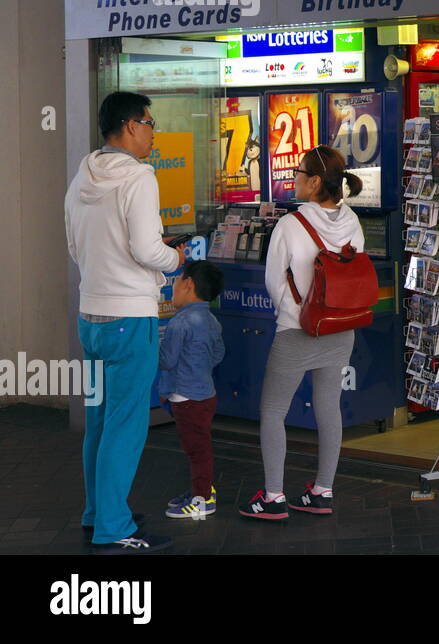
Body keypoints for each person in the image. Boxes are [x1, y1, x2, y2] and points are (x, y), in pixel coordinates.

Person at [65, 91, 186, 554]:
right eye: (151, 123)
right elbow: (145, 248)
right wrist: (171, 258)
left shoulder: (83, 173)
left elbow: (74, 246)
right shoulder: (138, 178)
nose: (154, 131)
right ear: (132, 125)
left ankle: (97, 510)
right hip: (130, 319)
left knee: (99, 420)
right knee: (126, 423)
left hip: (91, 319)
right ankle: (113, 526)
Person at [239, 145, 363, 520]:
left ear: (313, 182)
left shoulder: (291, 224)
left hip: (298, 330)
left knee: (273, 410)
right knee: (328, 407)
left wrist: (293, 315)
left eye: (297, 172)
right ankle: (322, 491)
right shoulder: (352, 221)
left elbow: (274, 282)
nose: (292, 178)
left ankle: (273, 496)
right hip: (341, 328)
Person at [159, 260, 226, 520]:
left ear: (188, 284)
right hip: (204, 394)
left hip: (186, 397)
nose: (172, 286)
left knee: (197, 451)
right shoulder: (211, 320)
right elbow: (219, 353)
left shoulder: (179, 323)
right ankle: (201, 490)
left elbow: (166, 360)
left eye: (176, 280)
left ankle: (202, 500)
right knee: (198, 446)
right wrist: (199, 367)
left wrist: (148, 344)